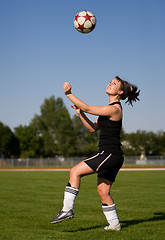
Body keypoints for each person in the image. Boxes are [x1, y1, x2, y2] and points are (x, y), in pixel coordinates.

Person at [51, 76, 140, 230]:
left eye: (114, 84)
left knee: (75, 171)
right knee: (103, 191)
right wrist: (81, 114)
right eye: (110, 82)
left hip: (109, 154)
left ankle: (66, 210)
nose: (109, 84)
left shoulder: (114, 109)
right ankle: (115, 225)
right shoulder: (108, 109)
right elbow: (92, 128)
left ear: (119, 92)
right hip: (113, 155)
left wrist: (69, 94)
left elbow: (88, 108)